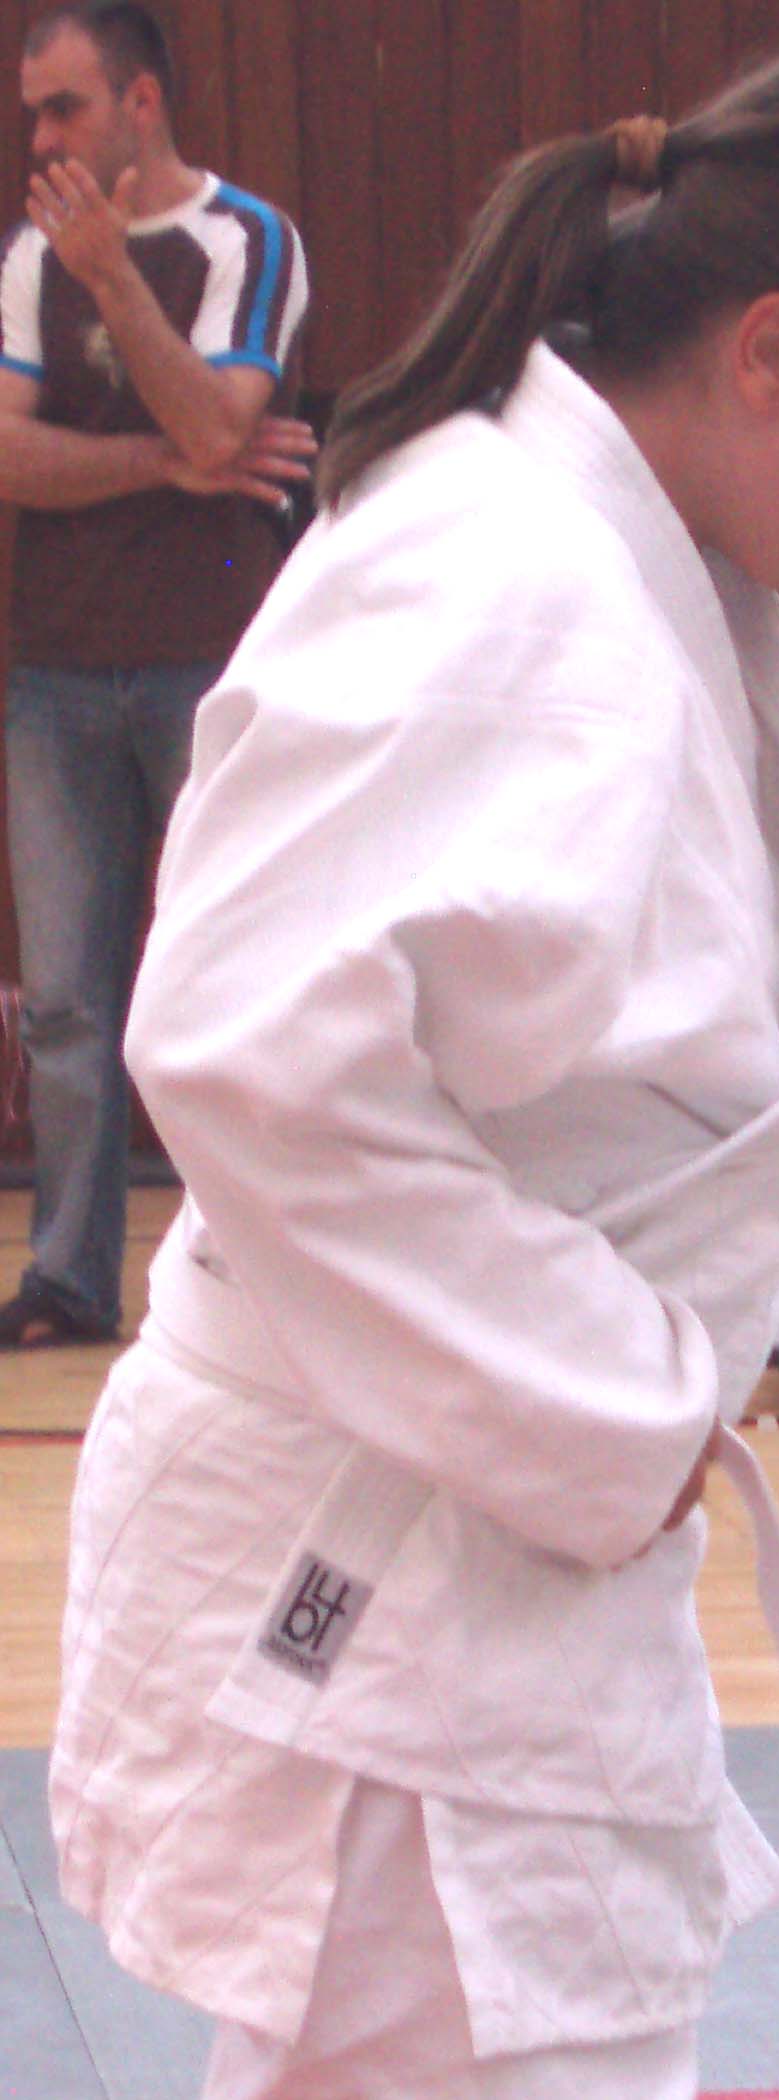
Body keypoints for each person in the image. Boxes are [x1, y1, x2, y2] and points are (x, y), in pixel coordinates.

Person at [49, 44, 779, 2100]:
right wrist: (609, 1392)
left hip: (448, 1556)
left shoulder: (595, 555)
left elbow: (515, 1051)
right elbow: (250, 1059)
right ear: (771, 350)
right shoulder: (505, 576)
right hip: (395, 1560)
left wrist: (741, 1230)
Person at [0, 1, 312, 1349]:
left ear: (141, 104)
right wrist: (162, 465)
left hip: (213, 667)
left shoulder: (247, 240)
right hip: (54, 669)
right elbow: (10, 455)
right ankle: (69, 1276)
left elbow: (220, 419)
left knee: (230, 981)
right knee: (69, 1000)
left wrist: (117, 282)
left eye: (63, 108)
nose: (41, 139)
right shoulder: (30, 259)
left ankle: (245, 1272)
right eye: (31, 113)